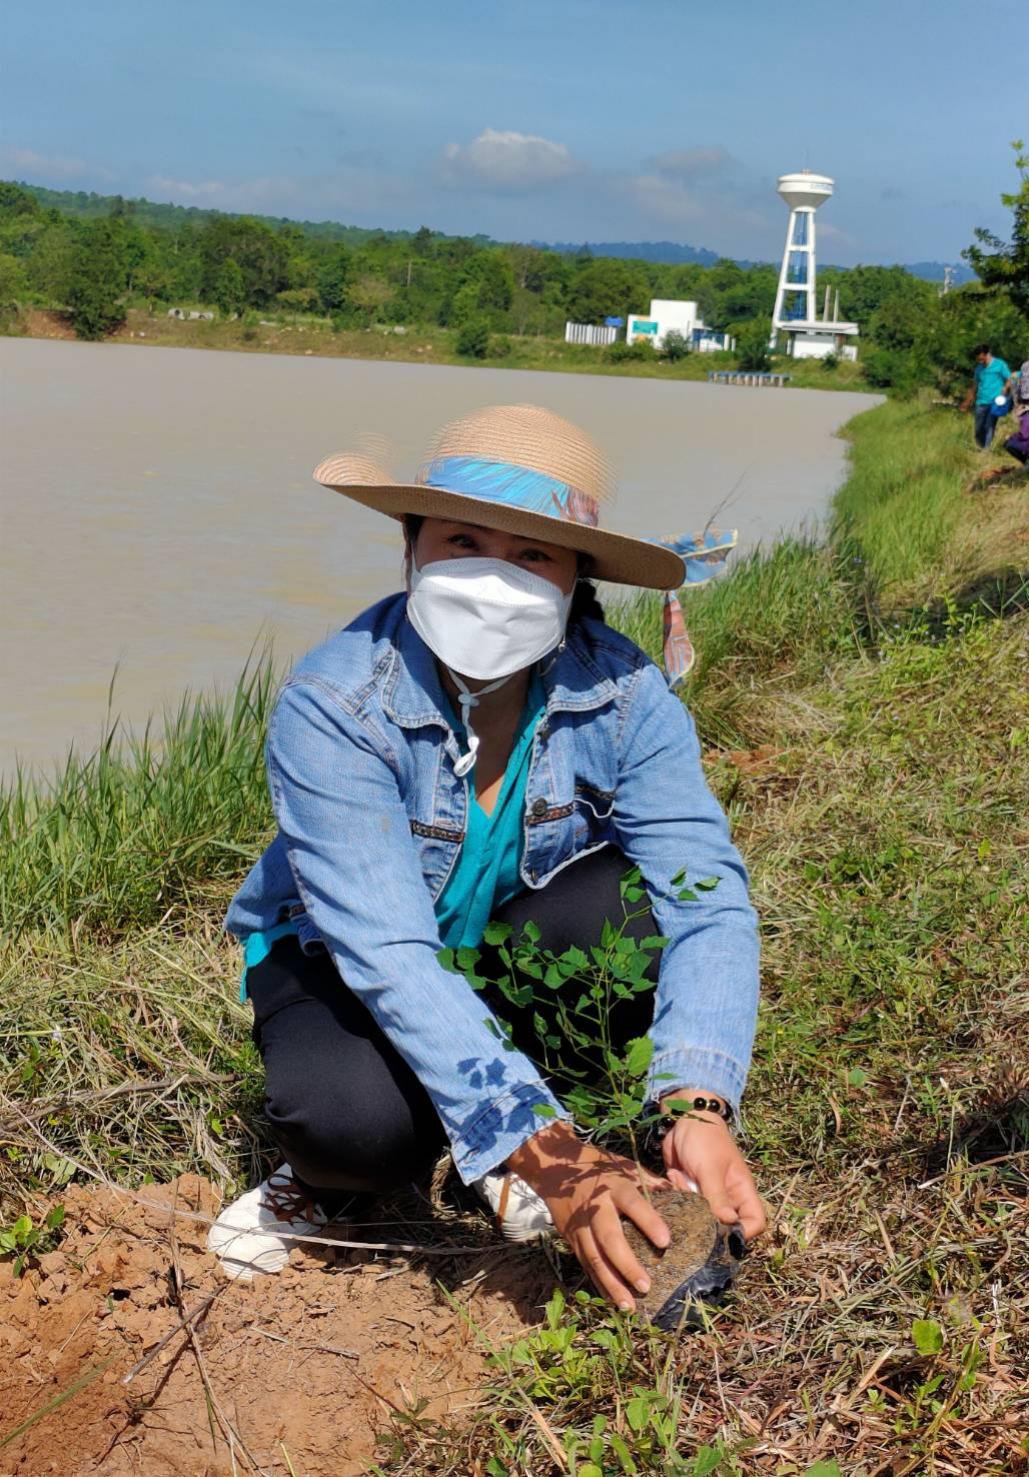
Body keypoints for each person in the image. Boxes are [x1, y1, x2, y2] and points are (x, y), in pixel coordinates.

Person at [208, 403, 765, 1310]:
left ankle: (499, 1127)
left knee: (630, 910)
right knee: (353, 1127)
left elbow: (707, 895)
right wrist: (551, 1151)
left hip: (501, 950)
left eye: (533, 555)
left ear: (575, 577)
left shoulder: (627, 693)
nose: (492, 580)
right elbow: (388, 954)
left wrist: (697, 1105)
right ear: (412, 545)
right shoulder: (335, 702)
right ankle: (350, 1173)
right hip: (345, 962)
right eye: (463, 541)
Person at [961, 343, 1012, 449]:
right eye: (978, 360)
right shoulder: (979, 369)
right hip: (981, 402)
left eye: (981, 359)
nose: (980, 362)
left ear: (987, 354)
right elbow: (974, 386)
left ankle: (986, 450)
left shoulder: (1000, 364)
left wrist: (1004, 389)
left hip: (995, 401)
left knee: (990, 425)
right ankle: (980, 446)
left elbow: (1009, 379)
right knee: (978, 428)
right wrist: (967, 401)